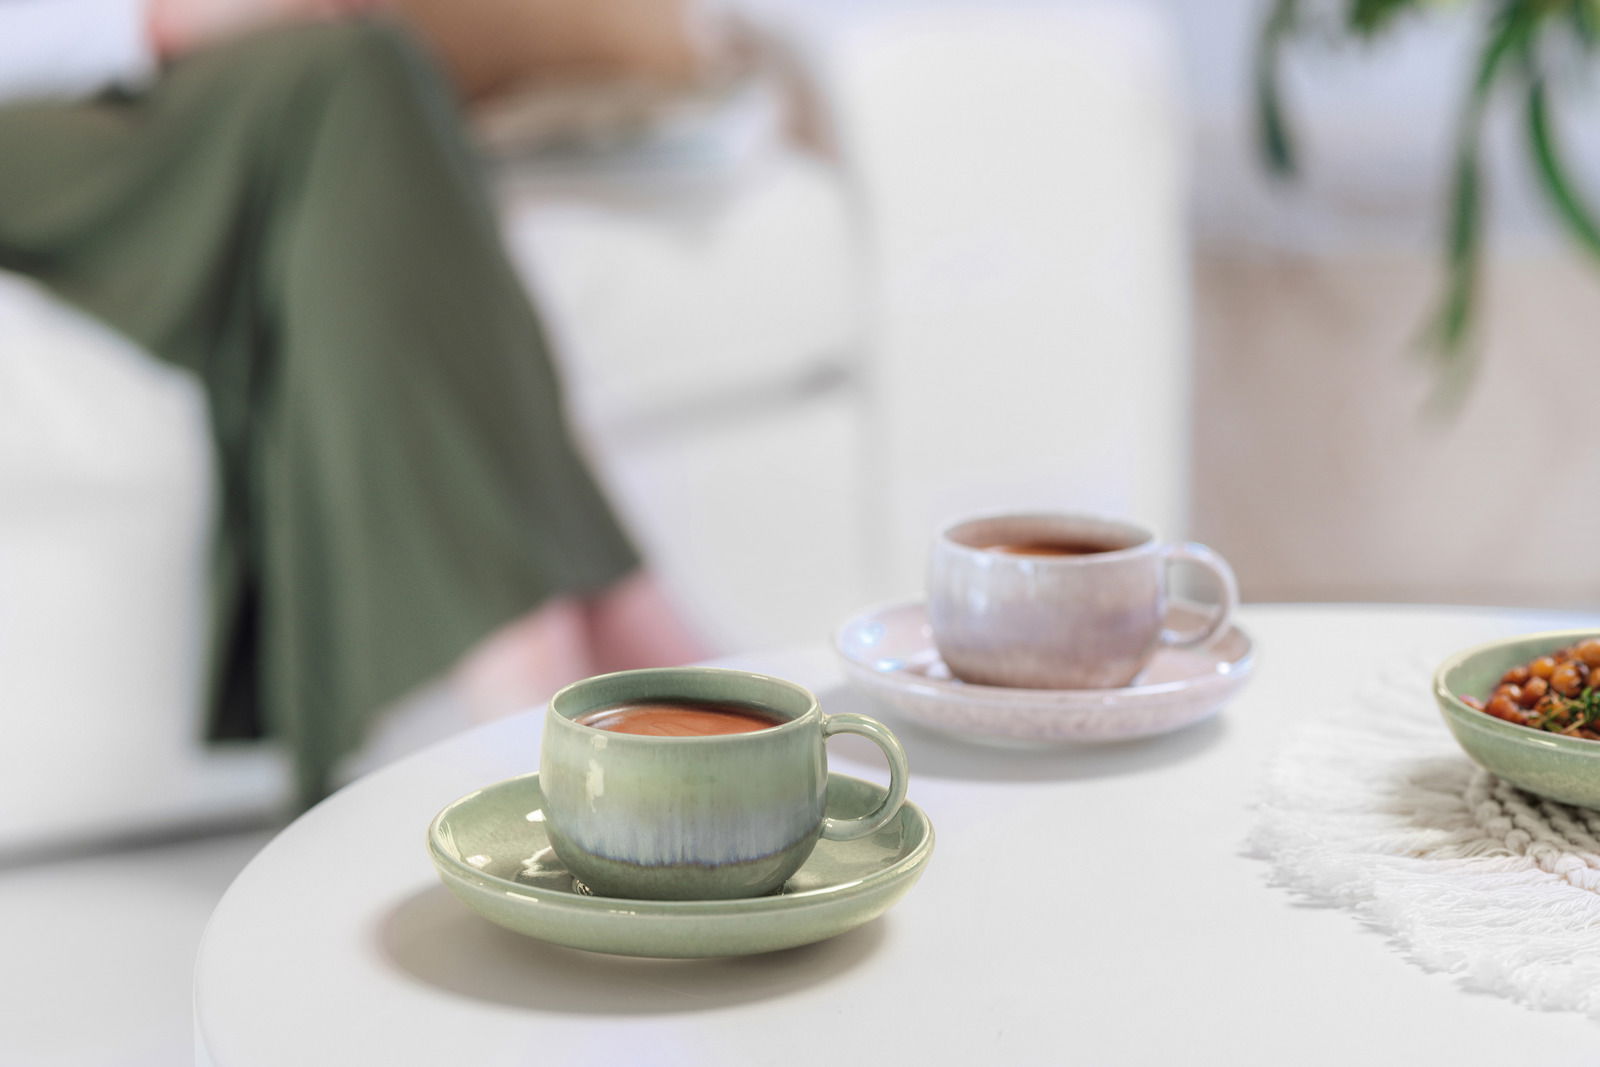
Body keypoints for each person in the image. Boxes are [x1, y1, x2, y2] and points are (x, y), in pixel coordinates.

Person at [0, 0, 707, 807]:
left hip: (183, 86)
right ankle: (581, 648)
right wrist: (144, 23)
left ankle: (555, 670)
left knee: (365, 86)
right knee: (351, 81)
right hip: (38, 99)